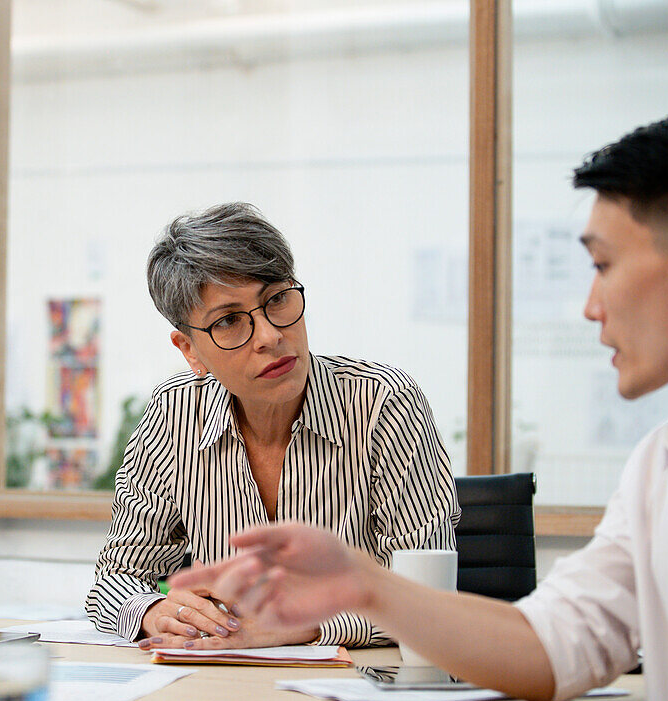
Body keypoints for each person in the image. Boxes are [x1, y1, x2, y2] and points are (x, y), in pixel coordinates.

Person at [173, 104, 668, 701]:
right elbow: (557, 646)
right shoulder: (662, 467)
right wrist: (363, 585)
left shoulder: (378, 399)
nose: (590, 307)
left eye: (603, 266)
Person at [85, 202, 460, 649]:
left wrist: (307, 625)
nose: (269, 336)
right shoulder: (174, 413)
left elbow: (429, 596)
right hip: (226, 686)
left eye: (277, 299)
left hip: (360, 690)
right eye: (228, 321)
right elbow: (115, 578)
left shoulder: (381, 404)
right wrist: (152, 610)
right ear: (189, 350)